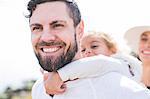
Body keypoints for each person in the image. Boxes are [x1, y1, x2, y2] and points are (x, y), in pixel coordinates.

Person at [26, 0, 150, 99]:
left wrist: (61, 75)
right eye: (36, 28)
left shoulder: (121, 87)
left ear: (79, 30)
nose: (46, 37)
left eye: (57, 25)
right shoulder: (39, 88)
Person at [43, 31, 142, 95]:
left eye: (94, 46)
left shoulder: (119, 63)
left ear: (112, 49)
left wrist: (59, 75)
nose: (88, 51)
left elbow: (99, 63)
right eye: (83, 50)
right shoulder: (91, 71)